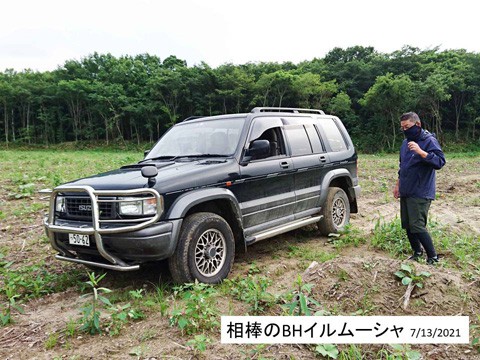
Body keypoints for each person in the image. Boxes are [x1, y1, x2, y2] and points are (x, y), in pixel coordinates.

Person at [393, 112, 446, 264]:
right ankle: (417, 252)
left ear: (417, 125)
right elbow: (402, 166)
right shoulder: (405, 144)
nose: (404, 130)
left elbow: (440, 162)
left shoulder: (429, 140)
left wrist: (421, 152)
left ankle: (433, 257)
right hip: (407, 189)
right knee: (408, 225)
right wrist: (398, 185)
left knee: (417, 225)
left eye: (407, 127)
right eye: (402, 127)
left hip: (421, 190)